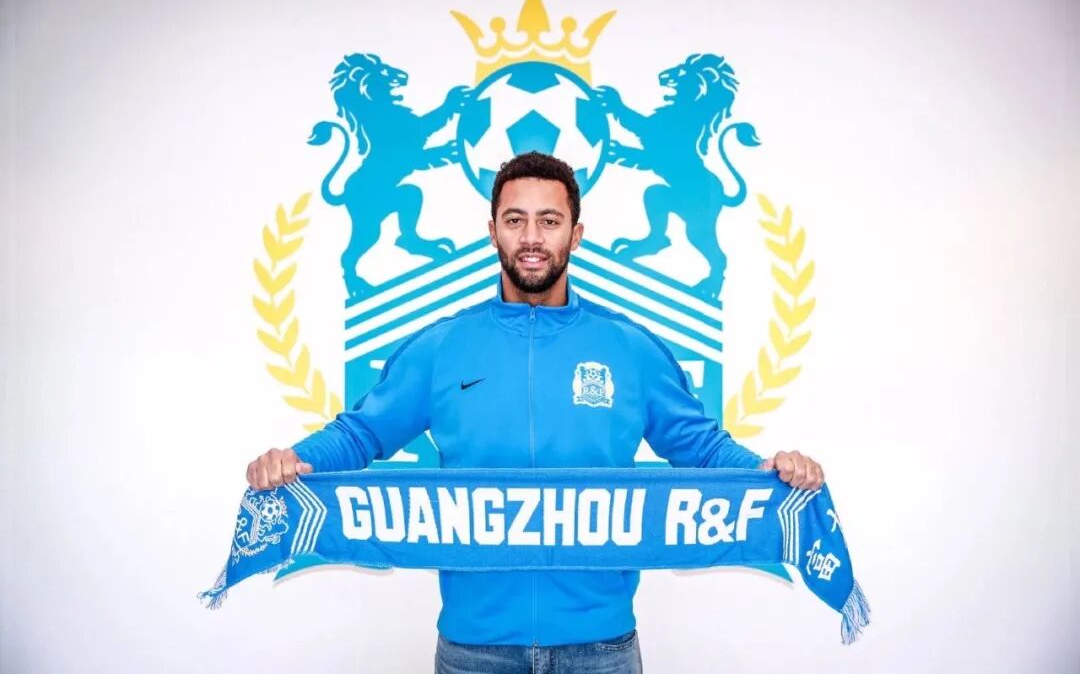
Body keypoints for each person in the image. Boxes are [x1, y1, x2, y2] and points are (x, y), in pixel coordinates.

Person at [245, 152, 825, 674]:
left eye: (549, 221)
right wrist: (294, 460)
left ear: (576, 234)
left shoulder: (629, 348)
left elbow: (701, 448)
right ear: (492, 230)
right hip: (475, 649)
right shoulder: (442, 347)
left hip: (601, 647)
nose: (531, 237)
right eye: (515, 219)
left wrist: (768, 472)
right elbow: (361, 434)